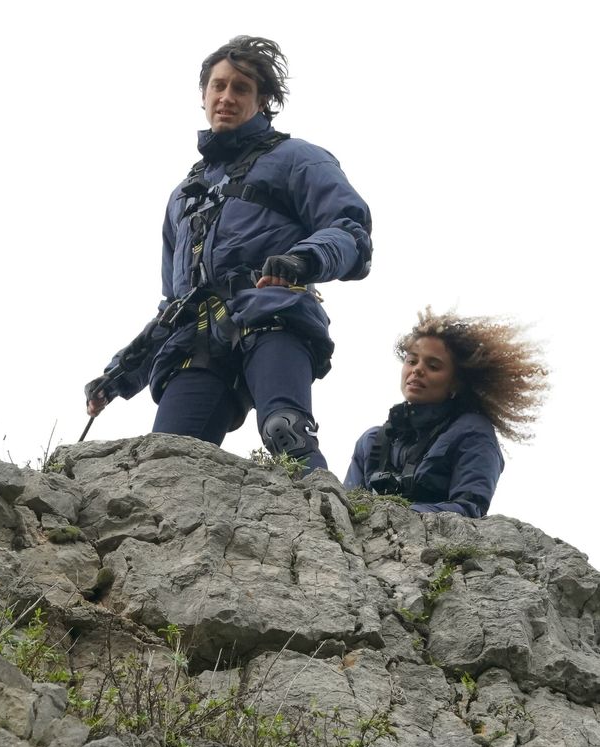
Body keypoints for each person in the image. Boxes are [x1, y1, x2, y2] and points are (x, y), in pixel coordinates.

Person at [85, 36, 372, 472]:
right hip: (195, 341)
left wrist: (303, 259)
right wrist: (121, 374)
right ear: (203, 94)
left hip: (273, 315)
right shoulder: (184, 196)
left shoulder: (298, 159)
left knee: (286, 431)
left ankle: (327, 532)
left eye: (241, 88)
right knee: (164, 466)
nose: (226, 97)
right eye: (218, 86)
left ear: (263, 101)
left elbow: (351, 230)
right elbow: (174, 301)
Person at [344, 308, 549, 517]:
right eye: (412, 361)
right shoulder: (370, 441)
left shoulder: (472, 432)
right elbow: (345, 509)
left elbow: (470, 509)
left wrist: (399, 516)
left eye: (433, 366)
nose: (417, 370)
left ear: (456, 383)